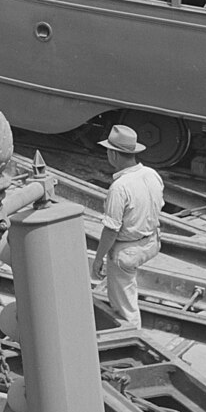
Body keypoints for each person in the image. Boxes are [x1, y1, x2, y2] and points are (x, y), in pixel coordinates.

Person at [91, 124, 164, 325]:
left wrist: (99, 259)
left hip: (127, 252)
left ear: (113, 155)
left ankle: (133, 335)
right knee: (126, 284)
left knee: (125, 309)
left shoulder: (120, 187)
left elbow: (111, 230)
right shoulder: (151, 174)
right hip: (151, 243)